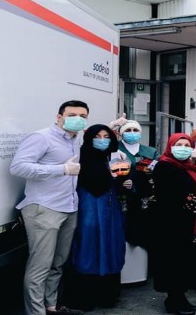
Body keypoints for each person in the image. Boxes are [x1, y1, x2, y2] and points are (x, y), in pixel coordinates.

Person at [9, 100, 88, 315]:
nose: (78, 119)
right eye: (73, 114)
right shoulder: (42, 137)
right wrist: (61, 169)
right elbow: (18, 167)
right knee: (40, 267)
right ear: (59, 117)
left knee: (57, 264)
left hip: (69, 207)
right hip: (44, 208)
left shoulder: (76, 138)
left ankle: (51, 307)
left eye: (83, 115)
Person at [67, 124, 128, 310]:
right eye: (97, 136)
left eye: (106, 136)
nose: (102, 140)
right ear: (89, 138)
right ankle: (84, 297)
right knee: (87, 246)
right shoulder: (80, 157)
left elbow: (120, 183)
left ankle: (107, 295)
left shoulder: (115, 157)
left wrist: (126, 181)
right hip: (88, 208)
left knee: (110, 246)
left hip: (110, 210)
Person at [151, 133, 196, 315]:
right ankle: (174, 300)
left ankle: (179, 297)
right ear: (170, 146)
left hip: (186, 220)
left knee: (183, 260)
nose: (183, 147)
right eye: (179, 144)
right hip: (170, 222)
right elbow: (173, 195)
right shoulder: (164, 166)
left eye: (187, 144)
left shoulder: (188, 167)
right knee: (173, 260)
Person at [116, 120, 160, 283]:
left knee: (143, 231)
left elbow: (158, 172)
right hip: (122, 199)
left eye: (136, 130)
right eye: (129, 130)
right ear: (121, 133)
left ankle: (141, 272)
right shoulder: (115, 150)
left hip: (144, 200)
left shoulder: (150, 151)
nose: (132, 132)